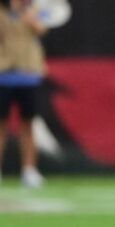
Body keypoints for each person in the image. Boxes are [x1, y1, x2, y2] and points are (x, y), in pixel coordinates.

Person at [0, 0, 47, 188]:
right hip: (3, 73)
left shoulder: (33, 10)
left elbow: (41, 30)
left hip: (28, 74)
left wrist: (28, 17)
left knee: (28, 124)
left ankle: (29, 170)